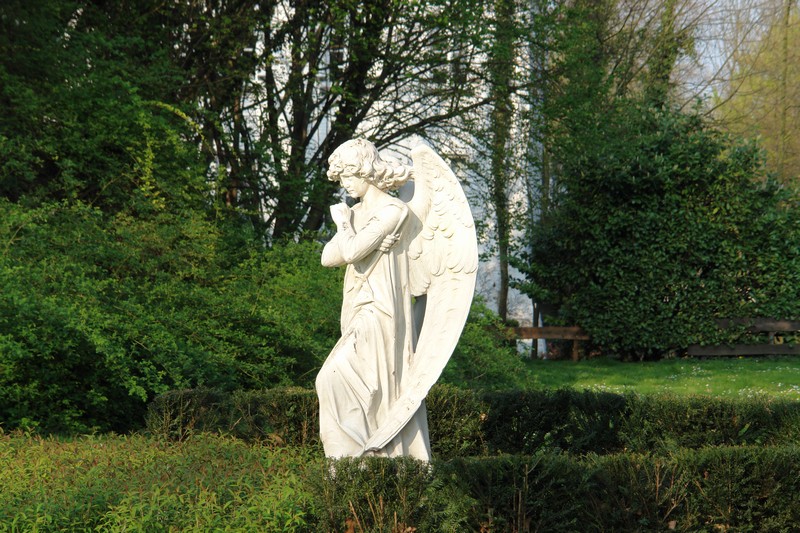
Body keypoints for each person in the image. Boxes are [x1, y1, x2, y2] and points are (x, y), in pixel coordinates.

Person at [315, 138, 432, 460]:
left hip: (380, 310)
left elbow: (351, 251)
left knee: (331, 378)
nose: (345, 184)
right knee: (356, 386)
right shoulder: (356, 212)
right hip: (356, 307)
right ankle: (357, 463)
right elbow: (328, 258)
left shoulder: (394, 210)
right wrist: (354, 234)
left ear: (365, 171)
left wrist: (344, 225)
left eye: (348, 176)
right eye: (341, 178)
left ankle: (359, 459)